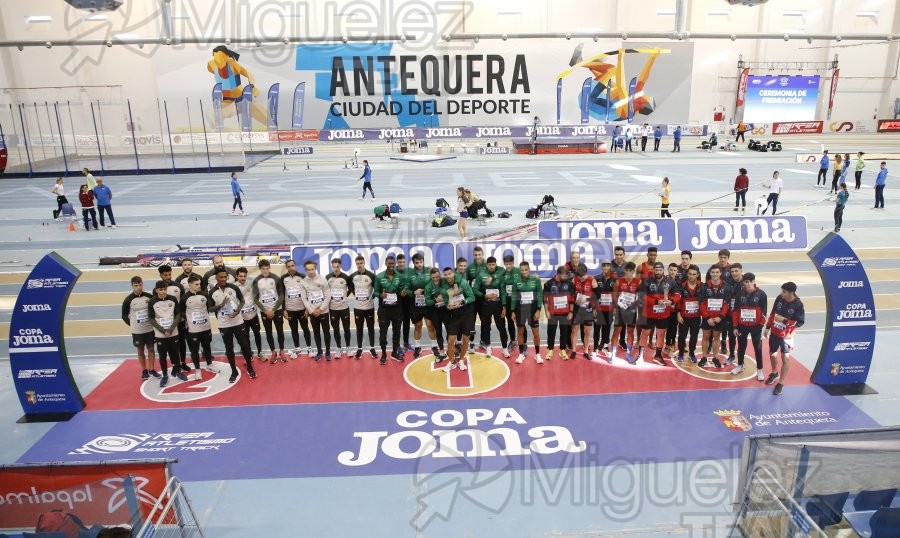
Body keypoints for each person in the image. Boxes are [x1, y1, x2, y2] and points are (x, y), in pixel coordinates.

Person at [209, 268, 257, 383]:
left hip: (238, 322)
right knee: (229, 348)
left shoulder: (233, 287)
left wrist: (237, 311)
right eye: (221, 277)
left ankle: (250, 368)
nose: (224, 279)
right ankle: (233, 371)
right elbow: (209, 308)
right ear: (216, 278)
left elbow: (242, 301)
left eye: (225, 277)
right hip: (224, 324)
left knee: (245, 345)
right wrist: (220, 305)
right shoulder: (212, 292)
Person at [764, 281, 805, 395]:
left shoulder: (798, 304)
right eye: (781, 291)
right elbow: (773, 313)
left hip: (786, 336)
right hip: (774, 332)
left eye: (784, 292)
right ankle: (774, 373)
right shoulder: (780, 298)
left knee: (785, 358)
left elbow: (799, 322)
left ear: (791, 293)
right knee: (772, 354)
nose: (781, 293)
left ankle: (780, 383)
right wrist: (767, 327)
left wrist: (784, 320)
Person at [147, 280, 187, 387]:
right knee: (162, 355)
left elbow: (178, 314)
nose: (163, 291)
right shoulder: (152, 302)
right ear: (156, 290)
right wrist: (163, 330)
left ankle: (178, 371)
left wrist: (171, 328)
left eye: (164, 289)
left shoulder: (172, 299)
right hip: (160, 334)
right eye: (161, 290)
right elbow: (151, 319)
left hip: (173, 332)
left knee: (175, 352)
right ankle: (165, 375)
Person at [640, 262, 679, 365]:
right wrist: (656, 302)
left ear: (663, 270)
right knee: (645, 333)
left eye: (660, 270)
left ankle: (658, 355)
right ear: (653, 270)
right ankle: (640, 355)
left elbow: (677, 294)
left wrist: (672, 301)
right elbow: (642, 296)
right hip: (648, 314)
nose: (658, 272)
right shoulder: (647, 281)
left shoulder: (670, 282)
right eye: (656, 270)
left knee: (661, 334)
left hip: (663, 314)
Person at [731, 273, 767, 381]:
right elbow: (736, 311)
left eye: (747, 282)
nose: (745, 284)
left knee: (758, 348)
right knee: (741, 347)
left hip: (756, 327)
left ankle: (759, 369)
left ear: (753, 282)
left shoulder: (761, 294)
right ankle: (740, 365)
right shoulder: (740, 294)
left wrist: (760, 325)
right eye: (744, 282)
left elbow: (764, 312)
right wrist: (735, 326)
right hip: (742, 326)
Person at [122, 276, 159, 380]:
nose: (138, 287)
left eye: (140, 285)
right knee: (140, 351)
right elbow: (124, 315)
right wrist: (132, 324)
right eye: (136, 285)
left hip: (149, 329)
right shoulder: (128, 300)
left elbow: (154, 310)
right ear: (132, 286)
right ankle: (144, 370)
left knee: (151, 349)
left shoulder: (149, 297)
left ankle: (151, 369)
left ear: (143, 284)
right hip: (137, 331)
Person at [180, 275, 217, 380]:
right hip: (193, 330)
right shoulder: (184, 298)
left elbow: (210, 307)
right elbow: (181, 312)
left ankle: (210, 364)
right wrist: (189, 321)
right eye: (196, 284)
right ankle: (197, 370)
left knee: (207, 347)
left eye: (199, 284)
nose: (199, 286)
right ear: (190, 285)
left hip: (206, 327)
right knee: (194, 350)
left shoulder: (205, 295)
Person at [473, 255, 508, 356]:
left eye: (493, 264)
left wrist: (504, 307)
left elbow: (503, 291)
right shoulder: (481, 274)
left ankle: (504, 348)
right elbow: (474, 289)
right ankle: (488, 347)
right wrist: (484, 295)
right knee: (485, 327)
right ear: (486, 265)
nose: (491, 267)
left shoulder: (500, 272)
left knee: (501, 327)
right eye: (489, 265)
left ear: (496, 264)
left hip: (498, 305)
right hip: (486, 306)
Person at [253, 259, 286, 363]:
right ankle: (273, 352)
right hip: (265, 311)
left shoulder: (276, 278)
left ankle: (282, 351)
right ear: (260, 269)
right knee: (268, 332)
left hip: (277, 310)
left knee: (280, 331)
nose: (265, 271)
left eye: (267, 268)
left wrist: (274, 309)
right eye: (263, 269)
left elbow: (281, 296)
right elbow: (255, 298)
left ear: (269, 268)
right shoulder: (256, 280)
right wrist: (264, 310)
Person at [375, 255, 405, 364]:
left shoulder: (399, 277)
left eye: (393, 264)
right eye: (389, 263)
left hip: (397, 309)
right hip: (384, 310)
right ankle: (383, 354)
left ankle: (394, 352)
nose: (391, 266)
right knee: (383, 333)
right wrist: (381, 295)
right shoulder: (379, 277)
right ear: (386, 264)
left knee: (397, 332)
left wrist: (403, 293)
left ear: (395, 264)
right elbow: (375, 292)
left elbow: (401, 290)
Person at [406, 253, 438, 358]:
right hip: (415, 304)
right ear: (413, 263)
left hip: (428, 303)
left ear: (423, 262)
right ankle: (417, 347)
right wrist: (413, 293)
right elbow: (406, 290)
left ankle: (434, 346)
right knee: (418, 325)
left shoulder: (429, 271)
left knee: (430, 325)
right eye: (417, 262)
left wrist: (425, 291)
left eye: (421, 262)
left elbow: (436, 282)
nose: (419, 264)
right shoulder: (409, 274)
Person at [511, 261, 543, 364]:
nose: (524, 272)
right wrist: (512, 311)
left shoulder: (536, 280)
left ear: (529, 269)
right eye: (522, 270)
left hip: (533, 310)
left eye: (526, 270)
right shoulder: (516, 281)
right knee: (520, 332)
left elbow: (540, 295)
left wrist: (538, 310)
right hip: (520, 310)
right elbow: (514, 297)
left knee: (536, 333)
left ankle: (537, 354)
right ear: (520, 270)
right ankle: (521, 354)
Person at [699, 266, 731, 368]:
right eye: (713, 272)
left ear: (720, 273)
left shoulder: (726, 286)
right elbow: (701, 304)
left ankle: (715, 358)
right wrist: (707, 317)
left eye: (717, 272)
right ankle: (704, 357)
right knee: (706, 337)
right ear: (710, 273)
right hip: (707, 318)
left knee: (717, 337)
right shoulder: (704, 286)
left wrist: (720, 317)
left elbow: (727, 304)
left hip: (719, 318)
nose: (715, 274)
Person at [301, 260, 332, 361]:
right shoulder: (303, 282)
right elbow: (304, 298)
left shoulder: (322, 279)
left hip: (324, 311)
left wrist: (321, 308)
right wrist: (311, 311)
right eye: (308, 270)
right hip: (313, 313)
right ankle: (319, 351)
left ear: (315, 269)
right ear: (306, 270)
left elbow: (328, 296)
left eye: (312, 269)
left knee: (326, 332)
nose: (311, 271)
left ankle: (327, 352)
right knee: (316, 333)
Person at [610, 262, 641, 363]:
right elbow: (614, 294)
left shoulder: (638, 282)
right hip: (620, 310)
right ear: (624, 271)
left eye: (630, 271)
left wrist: (634, 305)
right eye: (626, 271)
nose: (628, 273)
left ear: (633, 271)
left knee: (630, 332)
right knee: (616, 332)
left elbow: (640, 297)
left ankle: (628, 353)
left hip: (631, 311)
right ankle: (613, 354)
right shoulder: (619, 282)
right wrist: (616, 306)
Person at [282, 260, 311, 359]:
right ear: (287, 268)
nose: (291, 268)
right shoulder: (283, 278)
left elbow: (308, 293)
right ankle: (297, 348)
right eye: (289, 266)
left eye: (293, 265)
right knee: (294, 330)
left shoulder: (302, 277)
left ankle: (309, 348)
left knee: (305, 329)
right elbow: (282, 295)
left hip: (302, 309)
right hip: (290, 310)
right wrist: (284, 310)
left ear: (295, 266)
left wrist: (307, 308)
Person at [543, 267, 574, 361]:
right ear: (558, 274)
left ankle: (562, 350)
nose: (566, 277)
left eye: (567, 275)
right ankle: (550, 349)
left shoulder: (569, 284)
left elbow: (572, 299)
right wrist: (546, 311)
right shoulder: (548, 283)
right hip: (552, 313)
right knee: (551, 332)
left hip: (565, 313)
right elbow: (545, 299)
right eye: (564, 275)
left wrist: (571, 312)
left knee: (564, 332)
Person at [351, 256, 378, 359]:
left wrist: (372, 297)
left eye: (361, 263)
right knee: (359, 329)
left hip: (369, 308)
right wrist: (355, 294)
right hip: (358, 308)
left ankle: (372, 348)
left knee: (371, 329)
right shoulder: (352, 276)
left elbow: (377, 288)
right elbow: (349, 286)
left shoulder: (371, 275)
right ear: (355, 264)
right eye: (357, 263)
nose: (359, 265)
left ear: (364, 263)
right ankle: (359, 349)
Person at [327, 258, 354, 359]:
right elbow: (326, 291)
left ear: (340, 266)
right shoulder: (328, 277)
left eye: (338, 267)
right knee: (336, 329)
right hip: (333, 308)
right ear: (332, 267)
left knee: (346, 329)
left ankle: (348, 348)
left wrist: (345, 295)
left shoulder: (346, 277)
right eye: (334, 267)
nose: (336, 269)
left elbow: (351, 288)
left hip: (344, 308)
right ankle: (339, 348)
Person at [235, 267, 264, 362]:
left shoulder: (251, 284)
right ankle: (249, 355)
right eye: (240, 276)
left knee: (257, 334)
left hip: (253, 315)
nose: (243, 278)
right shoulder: (234, 287)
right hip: (242, 318)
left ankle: (260, 352)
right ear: (237, 276)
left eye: (244, 276)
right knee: (245, 337)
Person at [676, 265, 702, 363]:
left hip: (696, 317)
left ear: (697, 275)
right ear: (687, 274)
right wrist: (678, 314)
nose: (691, 276)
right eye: (690, 274)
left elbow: (704, 301)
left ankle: (691, 353)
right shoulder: (682, 286)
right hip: (684, 317)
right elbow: (678, 301)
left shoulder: (702, 286)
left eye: (694, 274)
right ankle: (680, 353)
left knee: (694, 336)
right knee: (682, 336)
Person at [571, 265, 598, 360]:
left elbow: (597, 296)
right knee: (574, 330)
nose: (581, 280)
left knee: (587, 331)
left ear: (586, 274)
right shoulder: (574, 280)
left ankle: (586, 351)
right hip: (577, 309)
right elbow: (571, 293)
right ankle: (573, 351)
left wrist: (586, 298)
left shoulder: (592, 280)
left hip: (588, 309)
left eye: (583, 278)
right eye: (579, 278)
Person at [424, 267, 449, 363]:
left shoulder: (444, 282)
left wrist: (445, 297)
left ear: (440, 275)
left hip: (446, 310)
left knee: (449, 330)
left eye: (437, 277)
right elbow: (427, 301)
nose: (436, 279)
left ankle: (451, 349)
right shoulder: (428, 287)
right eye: (433, 277)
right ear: (430, 276)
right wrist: (436, 300)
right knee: (438, 332)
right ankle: (442, 352)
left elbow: (450, 291)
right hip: (435, 312)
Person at [592, 260, 616, 359]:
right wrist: (593, 308)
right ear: (602, 267)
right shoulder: (596, 278)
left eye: (607, 266)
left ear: (610, 267)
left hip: (609, 309)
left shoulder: (615, 279)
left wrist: (615, 308)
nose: (606, 267)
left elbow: (616, 294)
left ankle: (605, 347)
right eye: (604, 266)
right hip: (598, 308)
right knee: (597, 329)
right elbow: (593, 294)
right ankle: (595, 348)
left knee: (607, 328)